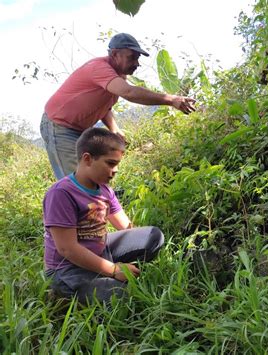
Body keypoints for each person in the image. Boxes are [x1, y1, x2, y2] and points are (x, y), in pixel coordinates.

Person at [40, 32, 196, 179]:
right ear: (114, 54)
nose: (137, 63)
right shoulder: (99, 68)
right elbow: (129, 92)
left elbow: (104, 106)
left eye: (137, 58)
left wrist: (114, 128)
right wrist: (171, 100)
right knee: (76, 181)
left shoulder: (117, 75)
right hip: (58, 127)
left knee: (93, 171)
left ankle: (103, 203)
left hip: (79, 130)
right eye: (132, 58)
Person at [43, 127, 164, 303]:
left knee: (153, 237)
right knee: (119, 296)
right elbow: (67, 249)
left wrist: (131, 257)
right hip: (67, 268)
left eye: (117, 164)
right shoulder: (61, 193)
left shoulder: (104, 188)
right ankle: (62, 294)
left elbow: (125, 226)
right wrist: (114, 270)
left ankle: (104, 274)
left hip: (100, 250)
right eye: (110, 163)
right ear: (87, 159)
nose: (116, 170)